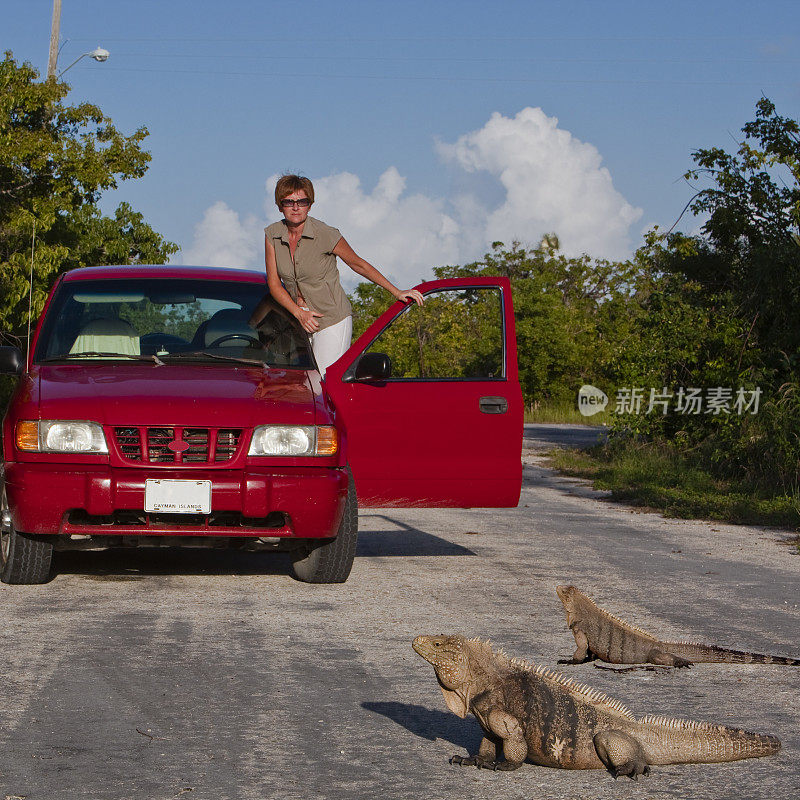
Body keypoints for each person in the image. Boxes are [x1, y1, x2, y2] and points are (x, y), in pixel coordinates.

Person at [253, 174, 423, 376]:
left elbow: (357, 264)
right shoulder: (272, 234)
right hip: (297, 319)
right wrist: (299, 313)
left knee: (323, 381)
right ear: (280, 205)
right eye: (289, 202)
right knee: (298, 384)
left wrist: (396, 291)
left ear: (310, 204)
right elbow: (274, 284)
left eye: (302, 201)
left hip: (331, 318)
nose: (296, 207)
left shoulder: (326, 233)